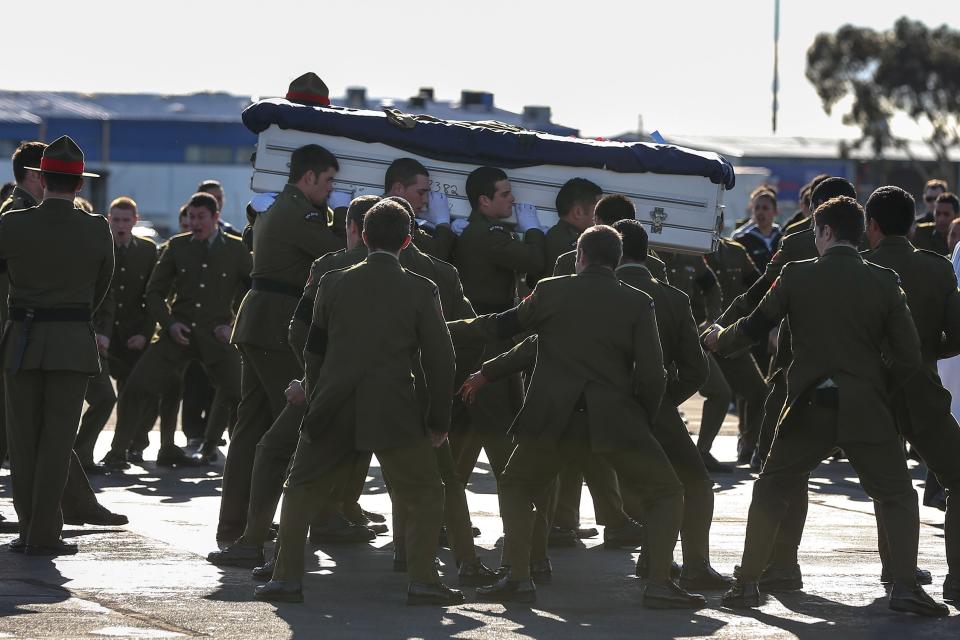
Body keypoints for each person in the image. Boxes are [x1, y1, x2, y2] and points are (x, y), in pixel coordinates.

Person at [705, 195, 948, 617]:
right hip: (867, 407)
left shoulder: (796, 276)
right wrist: (876, 389)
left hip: (807, 406)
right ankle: (905, 586)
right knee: (897, 496)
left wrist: (716, 339)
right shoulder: (885, 281)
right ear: (859, 233)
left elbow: (754, 328)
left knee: (772, 487)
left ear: (825, 232)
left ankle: (746, 584)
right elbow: (909, 357)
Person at [449, 225, 703, 609]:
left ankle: (519, 576)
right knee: (667, 493)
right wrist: (643, 417)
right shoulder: (637, 302)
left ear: (580, 256)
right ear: (616, 262)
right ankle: (660, 583)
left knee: (517, 486)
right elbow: (653, 375)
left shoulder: (551, 290)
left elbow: (503, 326)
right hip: (615, 421)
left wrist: (441, 330)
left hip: (552, 420)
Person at [254, 199, 463, 606]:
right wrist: (439, 418)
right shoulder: (422, 288)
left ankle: (286, 578)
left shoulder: (332, 281)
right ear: (407, 240)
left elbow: (313, 347)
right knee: (424, 492)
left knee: (299, 488)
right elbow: (441, 358)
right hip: (395, 407)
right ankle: (423, 580)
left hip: (333, 401)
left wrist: (316, 390)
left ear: (363, 236)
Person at [216, 144, 344, 543]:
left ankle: (237, 522)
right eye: (329, 181)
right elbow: (337, 253)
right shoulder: (295, 212)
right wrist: (342, 214)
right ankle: (310, 518)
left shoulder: (280, 207)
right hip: (275, 325)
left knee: (251, 426)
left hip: (259, 322)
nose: (330, 189)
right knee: (290, 426)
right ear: (308, 177)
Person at [0, 136, 114, 555]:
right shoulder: (96, 228)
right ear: (79, 186)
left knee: (23, 440)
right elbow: (101, 286)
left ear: (42, 179)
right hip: (70, 342)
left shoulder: (11, 224)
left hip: (21, 341)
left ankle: (29, 529)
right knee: (57, 442)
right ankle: (46, 532)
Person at [104, 192, 250, 468]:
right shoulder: (177, 246)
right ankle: (118, 452)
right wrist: (169, 324)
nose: (195, 223)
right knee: (136, 386)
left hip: (215, 336)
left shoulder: (235, 249)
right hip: (177, 334)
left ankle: (228, 452)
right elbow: (155, 293)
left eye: (201, 217)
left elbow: (252, 291)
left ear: (216, 217)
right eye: (191, 217)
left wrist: (232, 324)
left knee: (240, 393)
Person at [527, 177, 602, 286]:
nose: (602, 215)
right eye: (598, 209)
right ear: (578, 212)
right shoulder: (573, 245)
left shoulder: (555, 234)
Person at [383, 158, 457, 260]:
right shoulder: (392, 220)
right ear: (398, 189)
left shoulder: (376, 210)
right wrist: (443, 222)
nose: (425, 200)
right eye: (421, 193)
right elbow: (437, 254)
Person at [731, 187, 782, 271]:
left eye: (765, 208)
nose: (760, 212)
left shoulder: (783, 239)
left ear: (775, 211)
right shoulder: (743, 240)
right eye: (757, 208)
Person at [912, 191, 957, 256]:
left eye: (946, 214)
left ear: (956, 215)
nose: (941, 219)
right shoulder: (920, 233)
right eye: (938, 213)